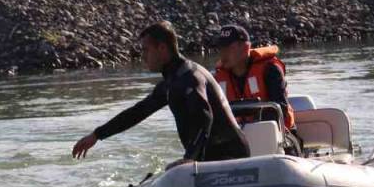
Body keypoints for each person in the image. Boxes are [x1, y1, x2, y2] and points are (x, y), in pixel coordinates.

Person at [72, 21, 249, 165]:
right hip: (209, 158)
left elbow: (205, 116)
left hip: (230, 156)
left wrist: (190, 158)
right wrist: (97, 135)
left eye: (146, 50)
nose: (143, 56)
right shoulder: (171, 82)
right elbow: (138, 112)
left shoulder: (190, 77)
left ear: (162, 48)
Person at [211, 24, 295, 134]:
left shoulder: (270, 69)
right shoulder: (216, 78)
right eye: (221, 48)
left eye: (229, 48)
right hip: (237, 139)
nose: (223, 53)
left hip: (278, 135)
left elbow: (280, 109)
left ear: (245, 48)